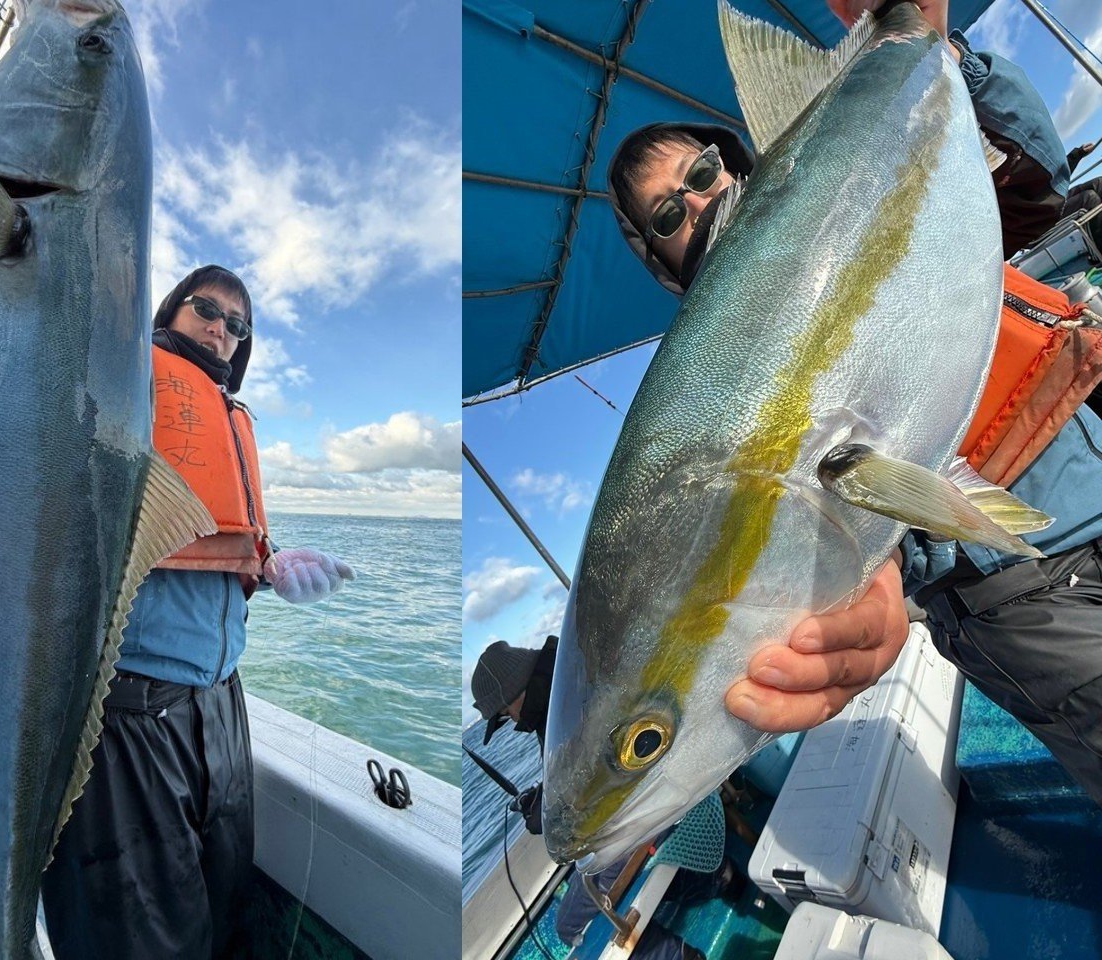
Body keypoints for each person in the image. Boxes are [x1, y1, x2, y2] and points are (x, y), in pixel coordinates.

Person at [607, 0, 1102, 800]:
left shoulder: (881, 169)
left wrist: (942, 48)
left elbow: (1038, 185)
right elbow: (829, 505)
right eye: (667, 214)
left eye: (699, 174)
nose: (696, 202)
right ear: (662, 258)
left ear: (730, 163)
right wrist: (870, 580)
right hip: (1011, 591)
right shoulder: (701, 394)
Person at [41, 266, 354, 959]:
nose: (220, 327)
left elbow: (217, 540)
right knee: (143, 933)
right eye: (206, 308)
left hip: (219, 704)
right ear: (172, 308)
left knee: (224, 906)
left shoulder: (232, 417)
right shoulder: (124, 379)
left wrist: (268, 567)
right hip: (129, 708)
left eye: (237, 324)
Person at [472, 638, 736, 960]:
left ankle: (676, 955)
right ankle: (720, 878)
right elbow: (588, 766)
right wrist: (546, 798)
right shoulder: (572, 673)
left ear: (515, 693)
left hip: (645, 817)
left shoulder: (562, 706)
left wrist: (543, 815)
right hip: (666, 790)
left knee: (568, 925)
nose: (512, 722)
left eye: (504, 714)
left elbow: (586, 788)